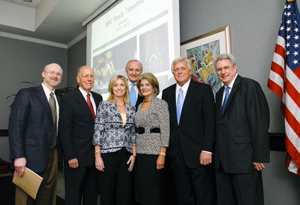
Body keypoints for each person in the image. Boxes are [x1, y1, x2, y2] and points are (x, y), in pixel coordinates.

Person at [214, 53, 270, 205]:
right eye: (219, 69)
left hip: (244, 161)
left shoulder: (249, 86)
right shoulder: (219, 94)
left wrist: (260, 156)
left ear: (234, 68)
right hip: (222, 163)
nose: (223, 72)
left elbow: (259, 122)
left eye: (226, 67)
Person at [162, 57, 216, 205]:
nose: (179, 72)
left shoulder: (203, 90)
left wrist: (207, 150)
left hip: (199, 154)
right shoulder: (166, 93)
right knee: (183, 197)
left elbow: (210, 122)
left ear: (190, 70)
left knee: (203, 196)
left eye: (183, 68)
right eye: (176, 69)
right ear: (173, 73)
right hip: (176, 155)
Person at [9, 63, 63, 205]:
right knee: (25, 197)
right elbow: (16, 127)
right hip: (30, 155)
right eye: (51, 72)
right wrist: (18, 156)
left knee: (48, 196)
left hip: (53, 154)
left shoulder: (59, 100)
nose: (55, 76)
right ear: (43, 74)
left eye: (58, 74)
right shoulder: (27, 94)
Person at [59, 66, 102, 205]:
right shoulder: (68, 98)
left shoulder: (98, 97)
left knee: (92, 195)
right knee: (74, 196)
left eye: (92, 76)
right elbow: (65, 130)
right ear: (78, 79)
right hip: (76, 158)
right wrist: (70, 155)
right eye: (85, 76)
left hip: (95, 157)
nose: (89, 79)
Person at [93, 74, 137, 205]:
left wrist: (134, 155)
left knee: (123, 192)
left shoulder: (131, 108)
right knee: (107, 192)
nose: (119, 88)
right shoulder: (104, 105)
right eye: (116, 85)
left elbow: (132, 132)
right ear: (111, 88)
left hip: (126, 154)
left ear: (126, 88)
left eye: (122, 85)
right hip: (107, 154)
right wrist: (97, 156)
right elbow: (98, 130)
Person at [134, 73, 170, 205]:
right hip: (140, 152)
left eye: (147, 84)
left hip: (154, 152)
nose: (144, 87)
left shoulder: (161, 104)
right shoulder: (139, 105)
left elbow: (165, 129)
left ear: (154, 87)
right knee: (141, 189)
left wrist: (162, 154)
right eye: (141, 85)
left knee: (153, 190)